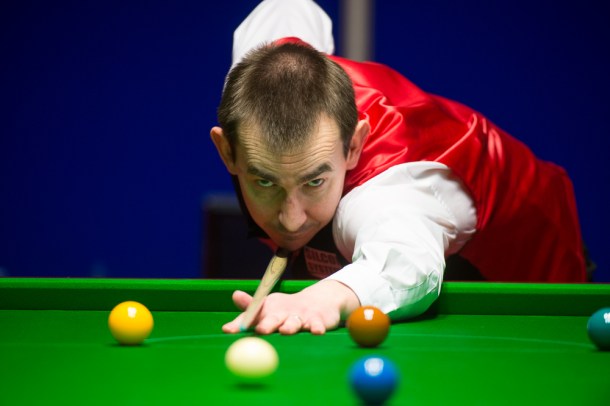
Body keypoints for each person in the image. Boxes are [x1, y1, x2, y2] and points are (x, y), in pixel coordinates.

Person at [210, 0, 587, 335]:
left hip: (526, 262)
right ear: (227, 150)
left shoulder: (389, 190)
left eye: (314, 182)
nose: (291, 221)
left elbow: (407, 262)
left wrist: (325, 297)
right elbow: (289, 7)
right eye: (265, 182)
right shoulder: (260, 68)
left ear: (353, 146)